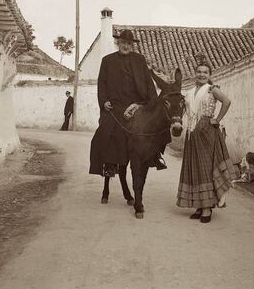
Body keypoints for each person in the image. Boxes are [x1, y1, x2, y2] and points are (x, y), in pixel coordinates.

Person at [89, 29, 169, 179]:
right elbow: (102, 84)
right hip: (115, 106)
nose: (126, 46)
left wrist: (152, 103)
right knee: (105, 131)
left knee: (157, 127)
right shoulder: (107, 60)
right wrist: (104, 101)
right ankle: (109, 165)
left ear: (132, 45)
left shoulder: (139, 59)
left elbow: (148, 82)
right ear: (118, 43)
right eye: (123, 43)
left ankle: (155, 156)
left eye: (129, 43)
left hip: (138, 105)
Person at [176, 54, 236, 223]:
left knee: (205, 168)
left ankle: (207, 208)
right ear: (195, 73)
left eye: (205, 72)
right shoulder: (188, 93)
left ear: (209, 75)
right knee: (194, 167)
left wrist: (217, 120)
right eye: (199, 72)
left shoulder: (212, 89)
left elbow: (227, 101)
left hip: (207, 133)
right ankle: (199, 205)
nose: (202, 74)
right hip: (192, 133)